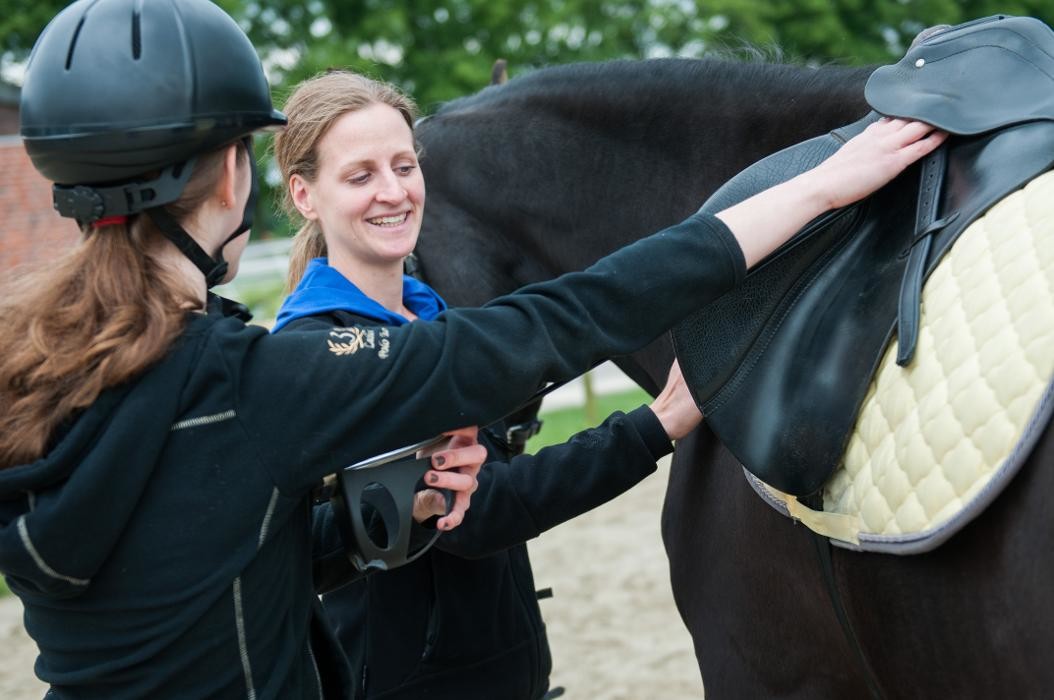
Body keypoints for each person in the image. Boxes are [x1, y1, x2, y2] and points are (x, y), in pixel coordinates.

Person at [0, 0, 945, 697]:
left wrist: (378, 524)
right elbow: (569, 316)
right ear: (237, 177)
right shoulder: (259, 380)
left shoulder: (38, 378)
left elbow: (204, 561)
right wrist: (818, 189)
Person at [271, 70, 709, 700]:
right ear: (306, 196)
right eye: (360, 175)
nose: (393, 192)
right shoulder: (326, 350)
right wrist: (654, 426)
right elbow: (476, 515)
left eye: (403, 165)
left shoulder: (432, 316)